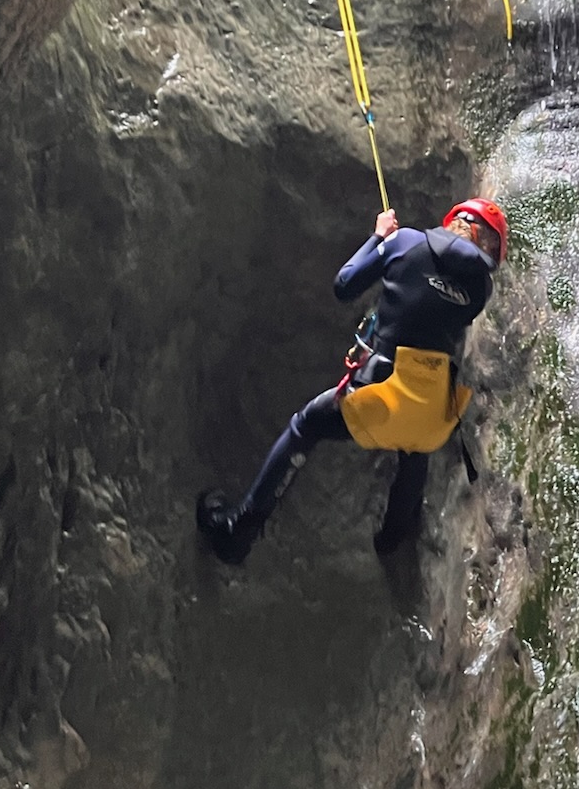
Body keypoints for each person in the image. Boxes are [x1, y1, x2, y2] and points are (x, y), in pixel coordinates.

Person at [195, 199, 508, 565]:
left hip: (381, 393)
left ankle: (239, 531)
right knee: (414, 443)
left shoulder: (405, 241)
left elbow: (344, 285)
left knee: (305, 426)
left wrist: (379, 238)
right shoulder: (481, 290)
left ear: (458, 221)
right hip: (432, 414)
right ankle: (394, 537)